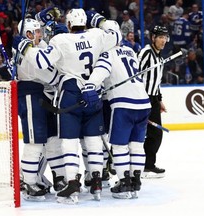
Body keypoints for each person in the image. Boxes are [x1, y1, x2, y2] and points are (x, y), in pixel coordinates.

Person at [18, 8, 122, 204]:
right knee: (93, 139)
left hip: (71, 93)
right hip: (93, 92)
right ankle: (97, 180)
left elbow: (41, 61)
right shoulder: (97, 35)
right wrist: (100, 21)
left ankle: (72, 181)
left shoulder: (61, 40)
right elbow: (116, 34)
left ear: (67, 25)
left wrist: (25, 48)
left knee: (68, 140)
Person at [82, 24, 151, 198]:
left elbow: (100, 73)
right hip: (143, 103)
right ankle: (135, 182)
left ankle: (124, 183)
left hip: (123, 105)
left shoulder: (107, 54)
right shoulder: (130, 52)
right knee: (137, 146)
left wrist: (89, 87)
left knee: (120, 147)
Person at [13, 17, 64, 201]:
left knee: (52, 139)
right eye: (36, 32)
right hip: (31, 96)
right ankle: (29, 182)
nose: (40, 35)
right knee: (35, 142)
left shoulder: (32, 49)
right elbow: (51, 75)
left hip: (43, 97)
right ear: (27, 34)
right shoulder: (30, 54)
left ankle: (59, 177)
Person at [137, 25, 169, 179]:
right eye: (160, 37)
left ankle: (148, 165)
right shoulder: (145, 53)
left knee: (156, 133)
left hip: (153, 100)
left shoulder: (160, 58)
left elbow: (156, 82)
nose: (163, 40)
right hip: (142, 98)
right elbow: (135, 75)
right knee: (137, 133)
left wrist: (159, 99)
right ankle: (138, 165)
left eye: (165, 37)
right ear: (153, 38)